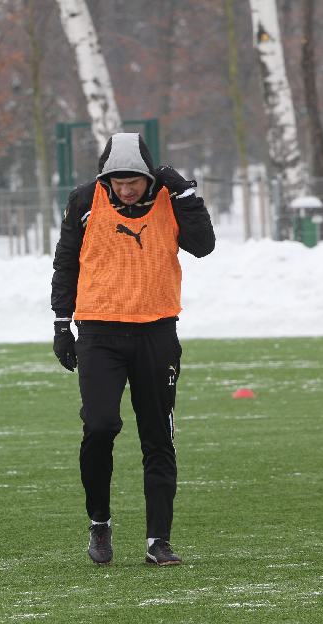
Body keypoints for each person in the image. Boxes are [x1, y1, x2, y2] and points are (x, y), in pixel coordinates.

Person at [51, 132, 215, 567]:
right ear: (105, 178)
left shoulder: (170, 198)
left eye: (134, 181)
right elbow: (66, 261)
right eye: (118, 181)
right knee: (101, 426)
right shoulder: (84, 201)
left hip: (156, 333)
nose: (126, 189)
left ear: (148, 177)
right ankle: (100, 523)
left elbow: (203, 246)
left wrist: (187, 195)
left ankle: (158, 541)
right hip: (99, 334)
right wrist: (60, 324)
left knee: (158, 437)